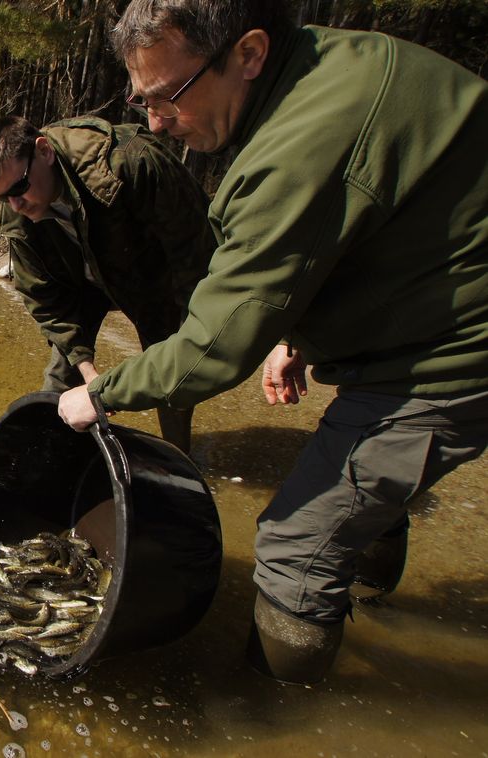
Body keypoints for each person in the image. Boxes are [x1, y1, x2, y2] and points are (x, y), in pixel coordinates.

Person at [56, 0, 488, 684]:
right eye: (139, 100)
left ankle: (275, 709)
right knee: (356, 493)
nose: (156, 122)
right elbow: (376, 221)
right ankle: (377, 599)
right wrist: (299, 337)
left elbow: (213, 349)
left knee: (293, 547)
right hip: (426, 315)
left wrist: (99, 395)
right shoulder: (331, 61)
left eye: (167, 96)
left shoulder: (294, 150)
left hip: (451, 355)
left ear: (248, 54)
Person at [0, 115, 216, 453]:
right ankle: (50, 459)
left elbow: (197, 247)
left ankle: (177, 463)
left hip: (150, 280)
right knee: (61, 375)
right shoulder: (17, 211)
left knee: (173, 382)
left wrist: (196, 328)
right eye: (2, 198)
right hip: (80, 285)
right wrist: (91, 377)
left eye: (18, 188)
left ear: (44, 152)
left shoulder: (130, 162)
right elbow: (45, 299)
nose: (14, 205)